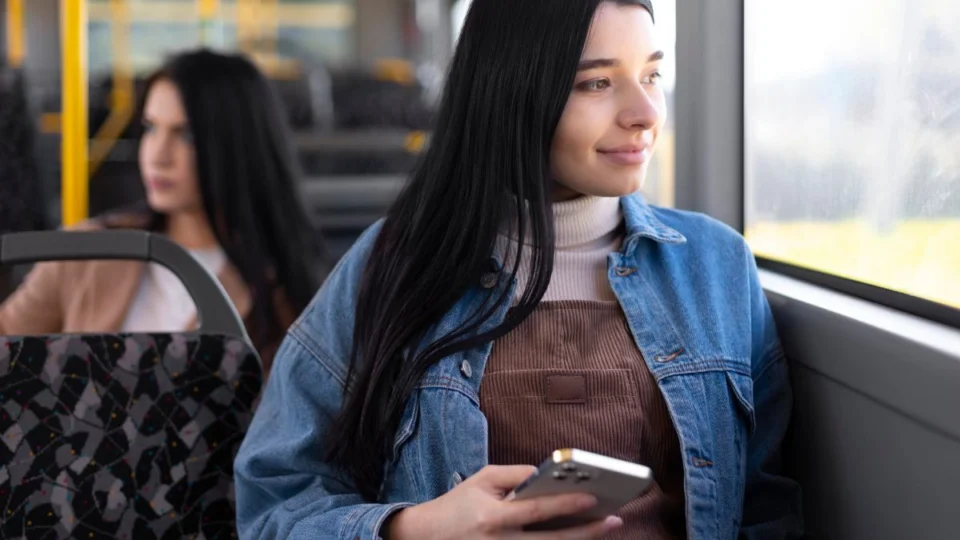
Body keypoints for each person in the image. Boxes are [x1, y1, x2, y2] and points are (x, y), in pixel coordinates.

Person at [234, 0, 803, 538]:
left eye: (652, 75)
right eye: (597, 83)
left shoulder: (717, 265)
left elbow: (763, 510)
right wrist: (419, 528)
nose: (646, 113)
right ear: (511, 91)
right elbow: (273, 499)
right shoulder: (392, 263)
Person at [0, 49, 323, 373]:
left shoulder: (281, 292)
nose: (158, 155)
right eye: (151, 128)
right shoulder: (84, 252)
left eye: (186, 135)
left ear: (237, 145)